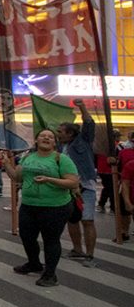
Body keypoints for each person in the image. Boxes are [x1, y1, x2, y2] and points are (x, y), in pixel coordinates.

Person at [2, 129, 80, 287]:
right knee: (27, 237)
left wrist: (49, 180)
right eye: (43, 136)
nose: (46, 138)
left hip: (55, 207)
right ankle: (34, 264)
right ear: (36, 141)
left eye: (50, 137)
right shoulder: (27, 158)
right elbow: (17, 177)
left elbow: (73, 182)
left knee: (50, 240)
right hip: (29, 205)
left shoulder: (61, 159)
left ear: (54, 142)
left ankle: (50, 275)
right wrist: (6, 164)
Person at [57, 99, 98, 267]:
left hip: (85, 187)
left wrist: (82, 107)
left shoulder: (83, 141)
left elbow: (88, 123)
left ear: (70, 133)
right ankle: (77, 250)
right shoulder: (59, 148)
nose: (57, 134)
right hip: (67, 188)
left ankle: (89, 255)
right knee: (72, 220)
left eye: (60, 131)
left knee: (87, 220)